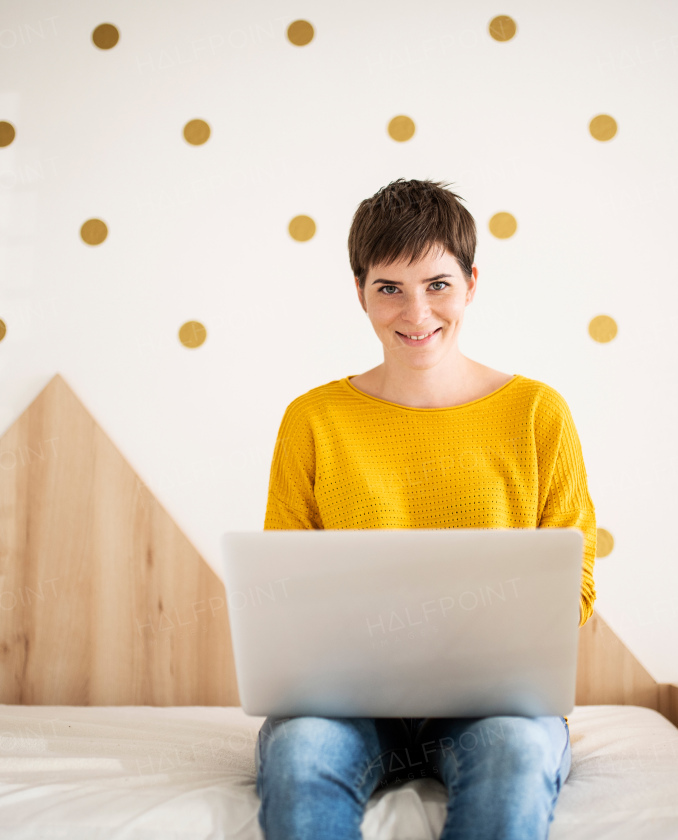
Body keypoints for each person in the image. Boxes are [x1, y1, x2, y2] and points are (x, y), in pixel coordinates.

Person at [255, 178, 597, 839]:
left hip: (493, 703)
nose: (416, 312)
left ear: (472, 282)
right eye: (390, 288)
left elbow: (575, 588)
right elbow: (280, 585)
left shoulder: (536, 414)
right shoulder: (313, 420)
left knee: (518, 753)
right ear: (360, 293)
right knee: (300, 754)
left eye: (438, 283)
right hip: (348, 703)